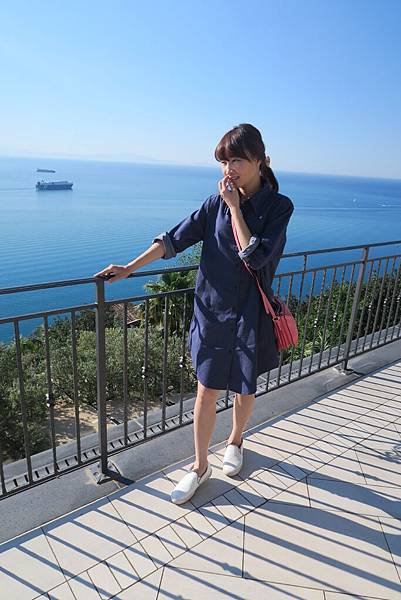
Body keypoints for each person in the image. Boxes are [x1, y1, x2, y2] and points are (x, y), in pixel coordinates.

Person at [93, 123, 294, 505]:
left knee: (245, 386)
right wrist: (130, 268)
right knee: (206, 389)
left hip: (250, 314)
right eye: (224, 162)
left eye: (237, 160)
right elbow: (174, 239)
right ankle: (200, 466)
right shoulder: (213, 204)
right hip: (212, 312)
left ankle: (235, 441)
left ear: (259, 161)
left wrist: (235, 208)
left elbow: (254, 256)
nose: (228, 169)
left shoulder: (278, 207)